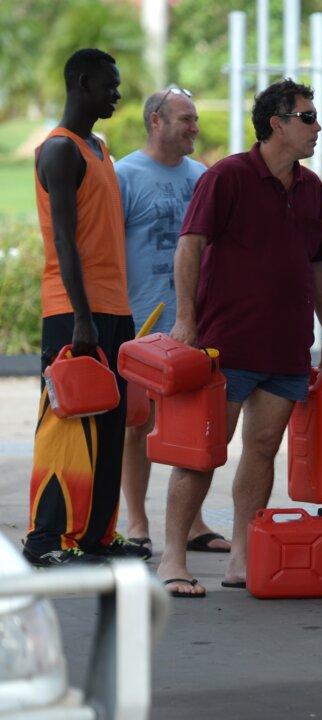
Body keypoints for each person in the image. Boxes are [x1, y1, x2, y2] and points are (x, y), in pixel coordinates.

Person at [157, 78, 322, 598]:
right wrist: (186, 321)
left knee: (262, 449)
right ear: (276, 124)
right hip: (224, 344)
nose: (317, 127)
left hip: (285, 347)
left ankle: (241, 555)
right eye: (307, 117)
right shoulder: (228, 176)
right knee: (202, 451)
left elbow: (319, 264)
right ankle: (172, 558)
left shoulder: (310, 187)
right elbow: (189, 247)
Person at [24, 48, 149, 566]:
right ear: (81, 83)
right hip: (72, 310)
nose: (116, 94)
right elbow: (64, 241)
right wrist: (80, 316)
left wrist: (119, 314)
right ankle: (47, 540)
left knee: (109, 424)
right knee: (67, 423)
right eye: (108, 85)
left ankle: (96, 535)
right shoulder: (59, 150)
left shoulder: (99, 148)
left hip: (113, 307)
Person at [115, 88, 229, 557]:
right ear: (156, 121)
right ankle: (137, 521)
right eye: (185, 119)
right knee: (137, 425)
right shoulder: (125, 175)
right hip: (142, 322)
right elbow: (108, 248)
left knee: (195, 423)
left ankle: (194, 522)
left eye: (195, 118)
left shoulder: (200, 176)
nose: (194, 127)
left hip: (197, 325)